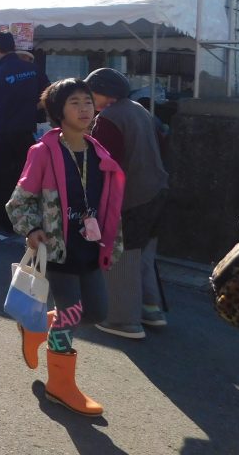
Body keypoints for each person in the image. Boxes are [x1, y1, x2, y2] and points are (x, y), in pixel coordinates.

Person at [6, 78, 125, 417]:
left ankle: (35, 327)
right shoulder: (43, 151)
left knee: (98, 312)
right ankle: (60, 384)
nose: (84, 108)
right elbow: (20, 201)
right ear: (59, 111)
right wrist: (31, 229)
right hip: (58, 250)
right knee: (71, 315)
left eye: (87, 101)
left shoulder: (99, 153)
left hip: (89, 247)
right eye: (75, 102)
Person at [84, 68, 169, 339]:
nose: (87, 101)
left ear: (102, 93)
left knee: (122, 255)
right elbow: (163, 142)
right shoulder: (139, 110)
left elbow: (105, 164)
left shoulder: (108, 119)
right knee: (145, 255)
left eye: (89, 95)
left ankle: (123, 320)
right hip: (156, 190)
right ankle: (150, 309)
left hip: (131, 196)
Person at [0, 31, 49, 230]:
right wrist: (32, 108)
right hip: (27, 134)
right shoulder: (32, 69)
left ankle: (6, 221)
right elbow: (50, 94)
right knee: (27, 178)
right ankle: (27, 221)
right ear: (14, 45)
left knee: (3, 178)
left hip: (3, 134)